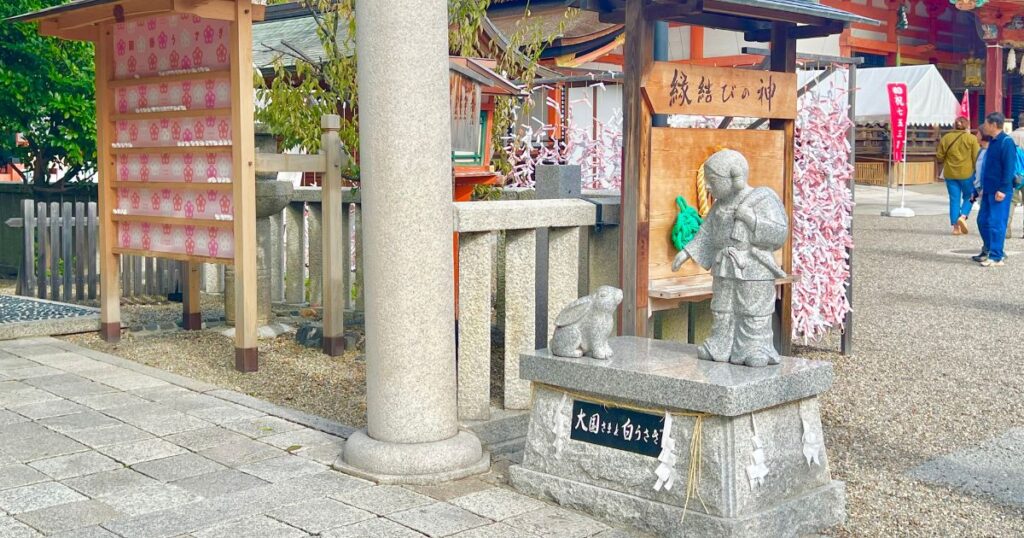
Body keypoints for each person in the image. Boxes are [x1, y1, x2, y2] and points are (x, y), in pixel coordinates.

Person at [670, 149, 788, 367]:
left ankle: (755, 348)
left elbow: (779, 233)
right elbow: (706, 234)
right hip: (724, 266)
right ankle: (720, 345)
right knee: (722, 309)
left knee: (753, 310)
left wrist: (752, 219)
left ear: (734, 177)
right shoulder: (719, 205)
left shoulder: (762, 199)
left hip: (754, 267)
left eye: (712, 180)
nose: (707, 186)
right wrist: (686, 253)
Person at [975, 112, 1017, 267]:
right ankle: (991, 249)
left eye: (986, 124)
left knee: (996, 222)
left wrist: (1003, 189)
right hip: (988, 189)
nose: (984, 126)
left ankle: (996, 256)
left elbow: (1009, 168)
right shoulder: (992, 142)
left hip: (1000, 190)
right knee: (982, 220)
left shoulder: (1007, 142)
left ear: (993, 125)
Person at [936, 117, 980, 235]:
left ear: (954, 125)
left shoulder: (946, 138)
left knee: (954, 199)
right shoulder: (971, 139)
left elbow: (939, 156)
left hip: (950, 173)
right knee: (970, 196)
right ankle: (963, 216)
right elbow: (976, 157)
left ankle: (956, 227)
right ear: (967, 126)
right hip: (967, 173)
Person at [970, 131, 991, 261]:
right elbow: (977, 172)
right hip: (980, 189)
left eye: (978, 133)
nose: (976, 135)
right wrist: (974, 190)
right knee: (983, 221)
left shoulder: (991, 152)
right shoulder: (980, 151)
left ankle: (990, 249)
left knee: (984, 221)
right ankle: (988, 248)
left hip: (989, 191)